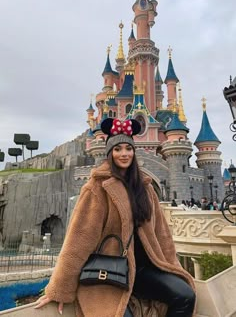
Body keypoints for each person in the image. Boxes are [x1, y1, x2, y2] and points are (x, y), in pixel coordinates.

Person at [35, 118, 196, 317]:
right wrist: (59, 288)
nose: (124, 154)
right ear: (110, 153)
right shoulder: (97, 188)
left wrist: (172, 267)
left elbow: (161, 234)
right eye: (118, 149)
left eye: (128, 148)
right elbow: (78, 240)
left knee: (185, 295)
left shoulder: (145, 188)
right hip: (108, 271)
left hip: (143, 270)